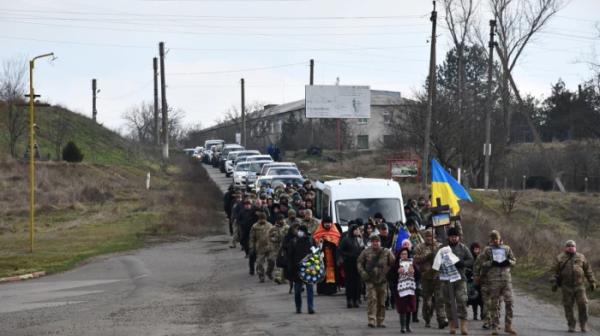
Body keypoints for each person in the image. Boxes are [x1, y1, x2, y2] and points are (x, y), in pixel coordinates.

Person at [552, 239, 596, 333]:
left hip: (579, 286)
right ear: (565, 247)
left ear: (575, 247)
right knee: (568, 306)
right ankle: (571, 325)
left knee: (583, 304)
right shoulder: (560, 257)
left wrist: (592, 282)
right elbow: (554, 271)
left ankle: (583, 325)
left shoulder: (581, 257)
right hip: (566, 286)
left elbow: (588, 270)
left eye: (573, 246)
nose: (571, 248)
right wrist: (554, 282)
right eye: (569, 246)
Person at [479, 230, 516, 335]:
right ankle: (495, 326)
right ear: (490, 240)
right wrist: (491, 263)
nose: (495, 241)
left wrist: (508, 262)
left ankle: (508, 326)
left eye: (497, 239)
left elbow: (514, 260)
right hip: (493, 280)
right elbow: (481, 263)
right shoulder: (487, 250)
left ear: (500, 239)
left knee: (510, 302)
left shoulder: (507, 248)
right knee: (494, 304)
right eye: (493, 239)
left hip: (506, 279)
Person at [439, 227, 473, 335]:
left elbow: (471, 260)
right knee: (448, 302)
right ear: (448, 237)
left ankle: (463, 324)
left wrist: (462, 263)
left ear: (458, 237)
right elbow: (436, 261)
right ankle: (452, 324)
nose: (454, 238)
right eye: (452, 237)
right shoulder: (443, 248)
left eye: (456, 237)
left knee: (462, 300)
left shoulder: (463, 248)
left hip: (460, 278)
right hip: (447, 279)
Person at [357, 234, 396, 328]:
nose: (375, 243)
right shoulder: (366, 252)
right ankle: (371, 320)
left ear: (380, 242)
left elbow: (393, 263)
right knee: (372, 300)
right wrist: (363, 273)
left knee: (382, 302)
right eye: (374, 242)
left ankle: (381, 320)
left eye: (377, 241)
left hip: (382, 281)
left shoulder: (386, 252)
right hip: (370, 280)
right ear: (371, 242)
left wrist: (388, 272)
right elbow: (359, 263)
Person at [414, 229, 447, 329]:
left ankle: (441, 319)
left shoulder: (439, 246)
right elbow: (416, 259)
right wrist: (427, 256)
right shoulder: (420, 247)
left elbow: (446, 258)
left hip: (438, 276)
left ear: (434, 237)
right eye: (427, 236)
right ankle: (427, 319)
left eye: (431, 236)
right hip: (426, 277)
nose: (429, 238)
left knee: (440, 299)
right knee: (427, 301)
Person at [288, 224, 315, 314]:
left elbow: (315, 253)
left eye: (301, 231)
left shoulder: (311, 240)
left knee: (310, 289)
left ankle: (310, 307)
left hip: (309, 268)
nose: (299, 233)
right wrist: (291, 268)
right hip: (297, 269)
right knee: (297, 290)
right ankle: (298, 307)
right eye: (299, 231)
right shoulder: (294, 241)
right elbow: (290, 256)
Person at [312, 216, 342, 295]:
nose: (327, 224)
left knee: (332, 271)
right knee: (322, 271)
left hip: (332, 256)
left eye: (329, 223)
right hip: (322, 256)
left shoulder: (335, 232)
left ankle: (332, 289)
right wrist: (322, 242)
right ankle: (321, 289)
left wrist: (331, 241)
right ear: (323, 224)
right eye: (326, 223)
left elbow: (338, 241)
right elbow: (315, 241)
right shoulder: (319, 232)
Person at [339, 223, 364, 308]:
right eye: (356, 230)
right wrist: (349, 255)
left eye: (358, 230)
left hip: (358, 263)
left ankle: (356, 299)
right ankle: (349, 300)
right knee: (349, 282)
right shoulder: (346, 240)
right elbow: (340, 250)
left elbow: (363, 249)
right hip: (348, 263)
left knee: (358, 282)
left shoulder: (360, 240)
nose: (357, 231)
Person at [394, 247, 417, 333]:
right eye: (403, 254)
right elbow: (390, 276)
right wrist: (397, 271)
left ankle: (408, 326)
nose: (404, 256)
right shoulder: (396, 264)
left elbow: (418, 274)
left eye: (406, 254)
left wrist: (414, 271)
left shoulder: (411, 263)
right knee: (402, 307)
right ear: (399, 255)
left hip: (410, 288)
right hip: (400, 289)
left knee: (410, 306)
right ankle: (402, 326)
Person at [249, 210, 274, 283]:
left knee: (272, 261)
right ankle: (261, 276)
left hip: (269, 246)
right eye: (261, 219)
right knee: (260, 263)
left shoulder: (270, 225)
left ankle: (269, 272)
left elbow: (274, 234)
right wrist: (251, 247)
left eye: (264, 218)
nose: (262, 220)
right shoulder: (255, 226)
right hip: (260, 248)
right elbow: (251, 238)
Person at [268, 214, 289, 284]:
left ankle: (283, 278)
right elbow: (269, 237)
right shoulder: (273, 228)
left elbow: (290, 236)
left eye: (282, 219)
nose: (281, 221)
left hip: (285, 248)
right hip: (276, 248)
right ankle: (278, 277)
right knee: (278, 263)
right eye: (279, 220)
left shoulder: (287, 228)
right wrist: (273, 240)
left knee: (285, 263)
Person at [467, 242, 483, 321]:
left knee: (482, 299)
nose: (476, 250)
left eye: (478, 249)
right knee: (474, 299)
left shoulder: (482, 258)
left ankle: (483, 314)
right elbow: (467, 268)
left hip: (481, 281)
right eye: (475, 249)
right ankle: (475, 314)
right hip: (472, 281)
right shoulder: (470, 258)